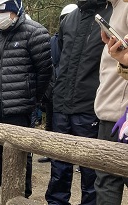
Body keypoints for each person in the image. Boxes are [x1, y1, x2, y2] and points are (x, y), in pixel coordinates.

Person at [44, 0, 112, 205]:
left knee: (90, 165)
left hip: (89, 105)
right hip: (62, 103)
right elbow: (60, 57)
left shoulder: (111, 16)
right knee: (59, 161)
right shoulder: (70, 18)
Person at [0, 0, 52, 198]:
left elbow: (45, 72)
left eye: (1, 11)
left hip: (19, 106)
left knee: (20, 152)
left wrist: (31, 97)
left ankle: (21, 194)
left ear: (15, 10)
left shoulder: (35, 33)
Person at [90, 0, 128, 205]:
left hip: (121, 115)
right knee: (105, 181)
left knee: (108, 181)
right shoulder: (113, 8)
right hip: (108, 110)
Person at [38, 4, 78, 163]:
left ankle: (73, 155)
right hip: (54, 88)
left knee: (71, 124)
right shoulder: (53, 41)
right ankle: (51, 152)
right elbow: (49, 63)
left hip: (72, 90)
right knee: (51, 121)